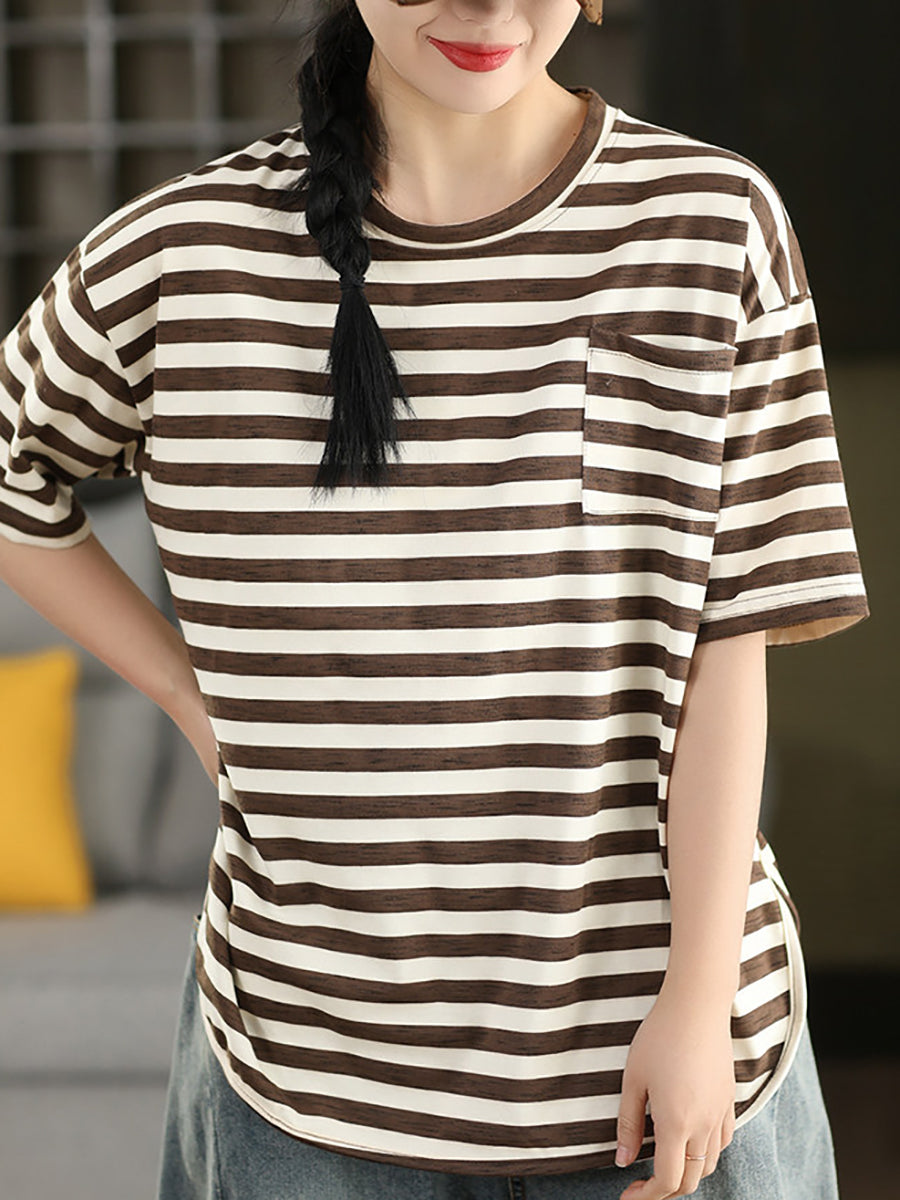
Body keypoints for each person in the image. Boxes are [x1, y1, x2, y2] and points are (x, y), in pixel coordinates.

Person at [0, 0, 870, 1197]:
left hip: (661, 1067)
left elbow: (730, 640)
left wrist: (696, 999)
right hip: (302, 1085)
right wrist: (196, 702)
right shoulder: (178, 257)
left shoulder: (712, 225)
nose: (485, 7)